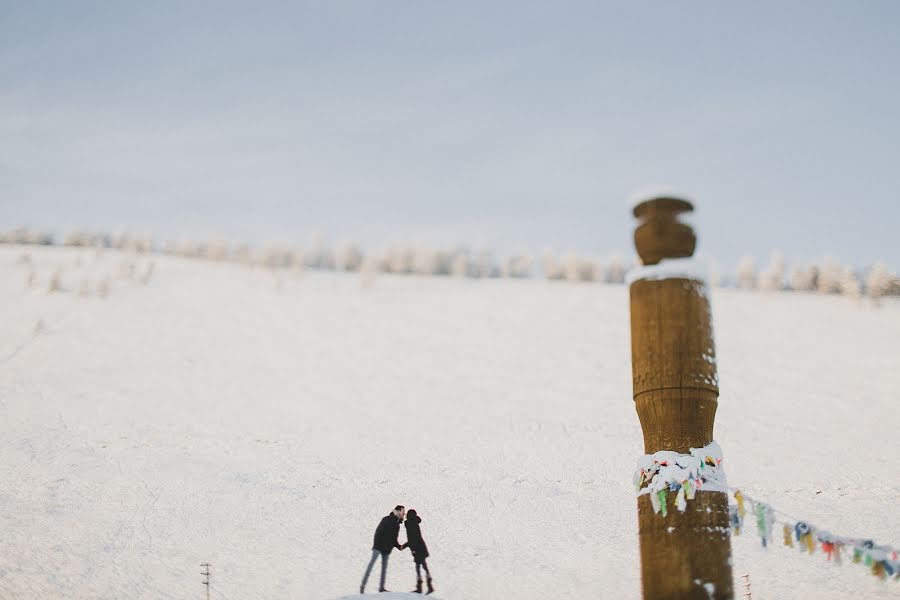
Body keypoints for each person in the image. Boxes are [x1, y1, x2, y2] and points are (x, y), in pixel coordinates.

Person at [360, 505, 405, 593]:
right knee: (371, 565)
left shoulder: (397, 524)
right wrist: (376, 545)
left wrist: (399, 546)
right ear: (398, 511)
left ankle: (381, 588)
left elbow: (394, 538)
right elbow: (378, 532)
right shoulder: (387, 519)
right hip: (378, 547)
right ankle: (363, 586)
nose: (404, 513)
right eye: (403, 511)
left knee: (384, 569)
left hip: (387, 549)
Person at [400, 509, 434, 594]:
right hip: (421, 547)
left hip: (417, 548)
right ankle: (428, 586)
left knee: (419, 567)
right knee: (423, 566)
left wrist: (407, 547)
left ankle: (421, 588)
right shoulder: (415, 522)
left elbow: (412, 538)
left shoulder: (410, 524)